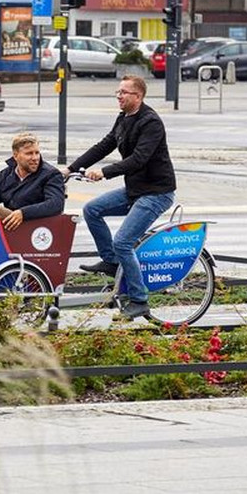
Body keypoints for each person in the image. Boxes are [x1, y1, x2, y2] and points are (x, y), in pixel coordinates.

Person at [62, 75, 176, 321]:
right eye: (118, 92)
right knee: (92, 210)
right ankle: (113, 263)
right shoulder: (123, 119)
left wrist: (104, 172)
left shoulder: (151, 122)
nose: (119, 96)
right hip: (135, 189)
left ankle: (139, 300)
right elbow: (104, 145)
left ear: (138, 96)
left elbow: (139, 159)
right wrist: (71, 168)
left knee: (123, 242)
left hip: (156, 193)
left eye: (124, 92)